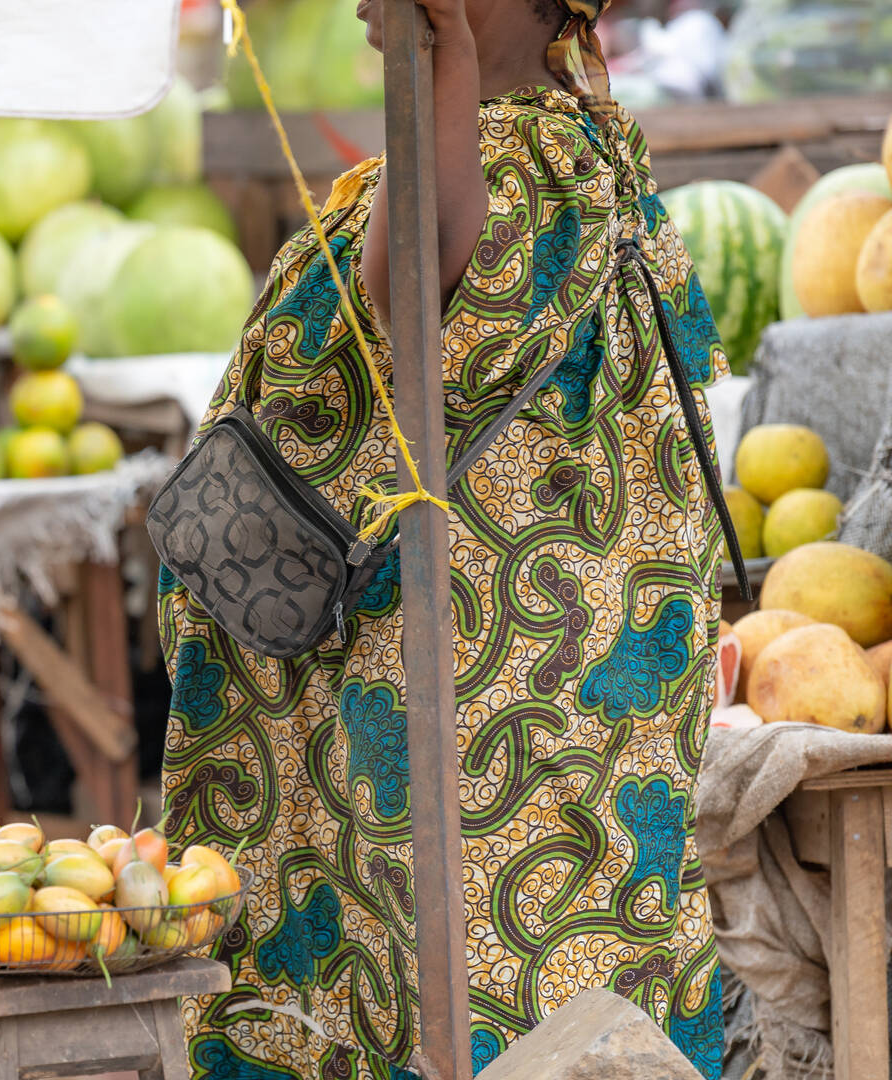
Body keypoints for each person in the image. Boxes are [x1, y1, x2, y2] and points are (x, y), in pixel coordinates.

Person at [158, 0, 728, 1077]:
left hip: (483, 715)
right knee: (553, 967)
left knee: (480, 984)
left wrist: (445, 73)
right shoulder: (592, 151)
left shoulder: (513, 160)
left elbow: (411, 293)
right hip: (538, 705)